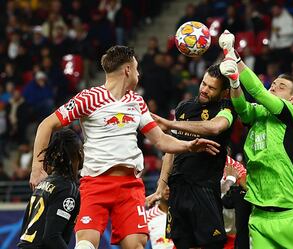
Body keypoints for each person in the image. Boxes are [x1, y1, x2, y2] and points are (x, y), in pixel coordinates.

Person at [29, 45, 220, 249]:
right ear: (128, 69)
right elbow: (46, 125)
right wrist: (37, 168)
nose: (138, 74)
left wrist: (189, 146)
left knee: (136, 245)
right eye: (136, 69)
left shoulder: (137, 102)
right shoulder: (88, 98)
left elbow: (161, 140)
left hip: (130, 187)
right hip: (95, 184)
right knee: (85, 245)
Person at [218, 30, 293, 249]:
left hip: (291, 214)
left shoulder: (291, 115)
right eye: (273, 84)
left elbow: (258, 91)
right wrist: (235, 82)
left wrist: (233, 56)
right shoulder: (258, 113)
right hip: (260, 217)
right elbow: (242, 108)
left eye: (281, 87)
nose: (273, 87)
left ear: (292, 99)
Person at [147, 63, 237, 249]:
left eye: (211, 87)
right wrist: (160, 187)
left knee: (213, 245)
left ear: (223, 92)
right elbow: (170, 151)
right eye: (203, 83)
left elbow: (213, 127)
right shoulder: (183, 108)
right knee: (183, 244)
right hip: (178, 190)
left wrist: (170, 124)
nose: (204, 90)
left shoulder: (226, 109)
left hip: (204, 189)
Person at [18, 129, 83, 248]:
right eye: (81, 148)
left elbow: (24, 227)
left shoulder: (43, 184)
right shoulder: (67, 189)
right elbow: (51, 237)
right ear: (77, 153)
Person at [146, 171, 175, 249]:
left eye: (171, 185)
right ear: (157, 189)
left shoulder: (184, 215)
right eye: (164, 185)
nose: (168, 188)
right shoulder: (147, 218)